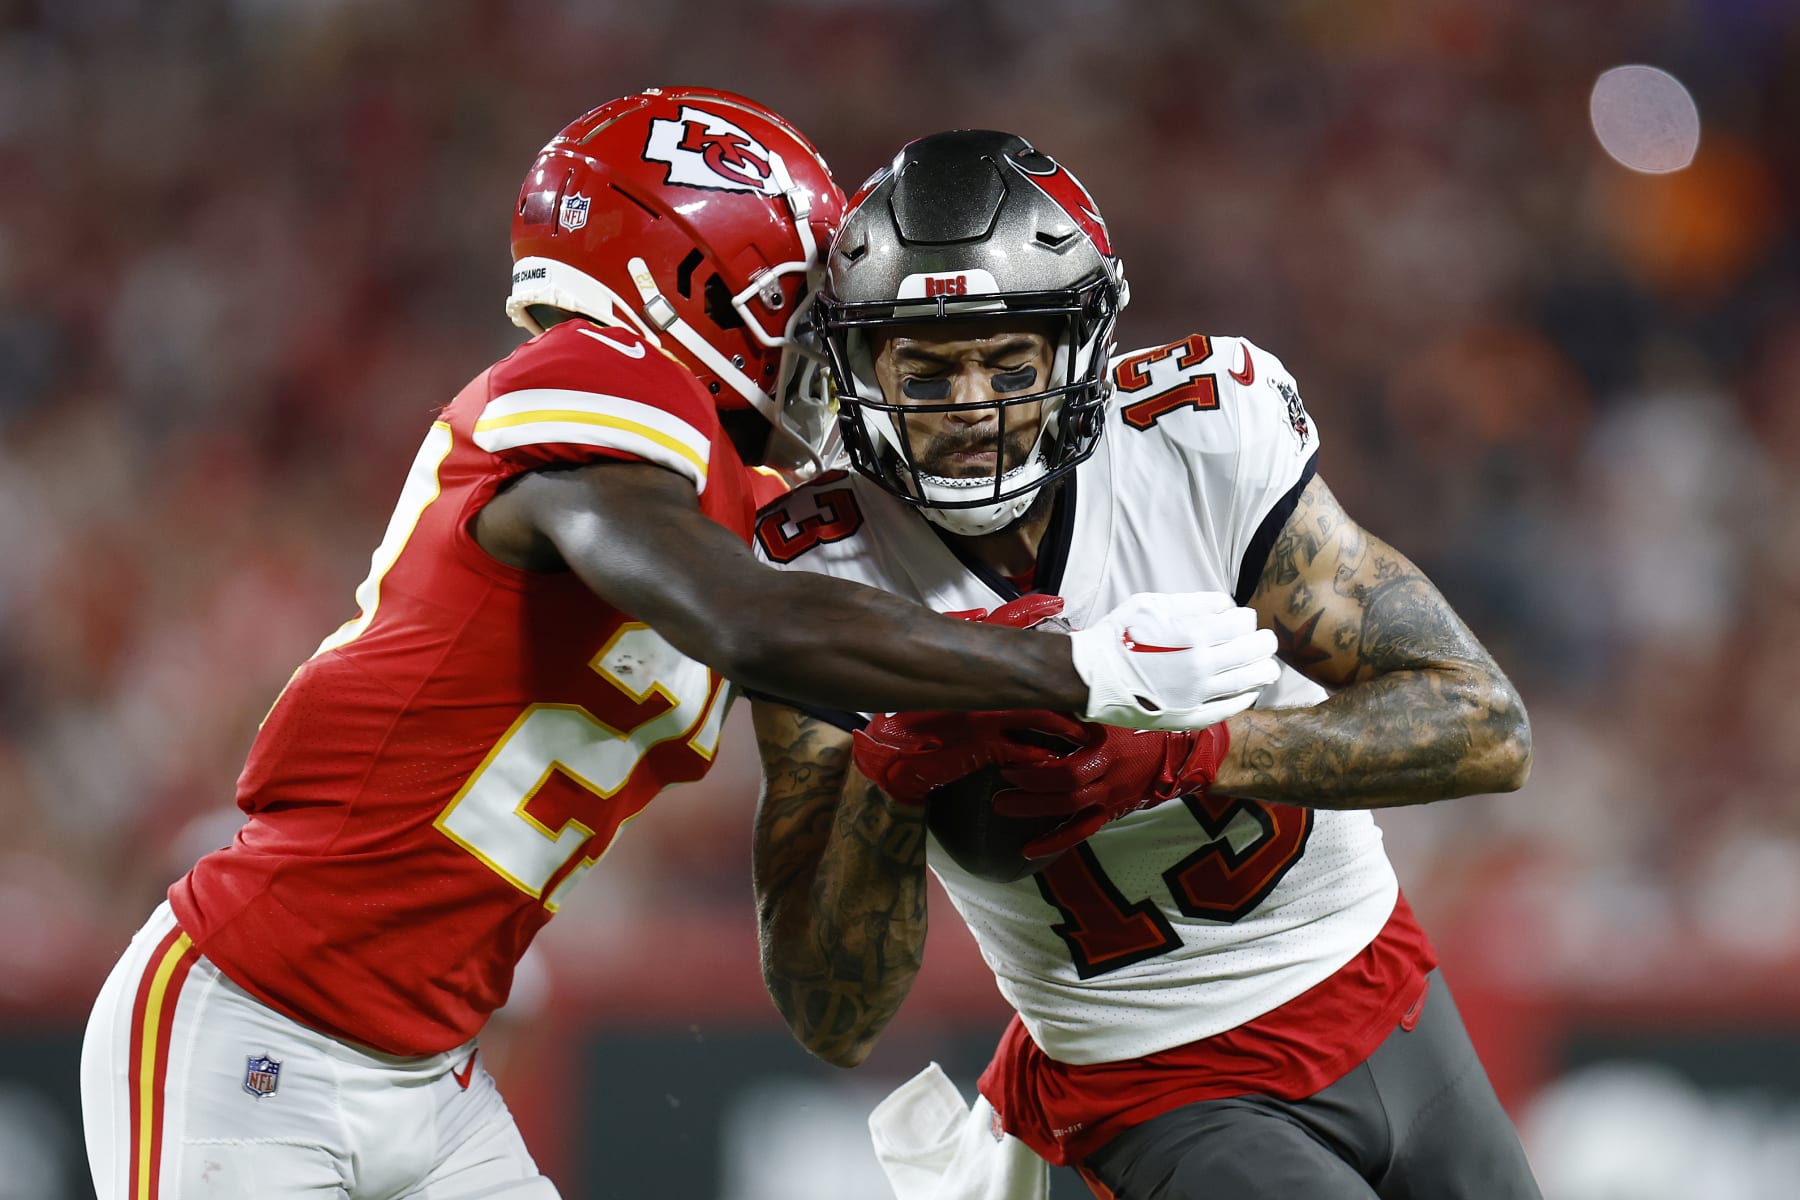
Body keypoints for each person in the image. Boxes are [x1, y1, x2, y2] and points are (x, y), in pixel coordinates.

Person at [78, 93, 1279, 1200]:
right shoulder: (597, 378)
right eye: (804, 310)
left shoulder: (731, 493)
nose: (826, 351)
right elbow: (743, 619)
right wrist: (1074, 664)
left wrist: (1015, 1093)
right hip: (253, 1019)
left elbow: (889, 719)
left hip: (427, 1070)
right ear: (699, 288)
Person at [750, 129, 1541, 1199]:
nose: (973, 408)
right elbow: (830, 1009)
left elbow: (1484, 727)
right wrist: (893, 771)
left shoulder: (1197, 439)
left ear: (1078, 351)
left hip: (1392, 1000)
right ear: (857, 367)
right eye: (928, 370)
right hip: (1152, 1085)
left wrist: (1188, 755)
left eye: (1010, 364)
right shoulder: (820, 572)